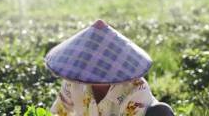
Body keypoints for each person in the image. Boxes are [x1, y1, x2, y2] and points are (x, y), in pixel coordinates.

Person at [45, 19, 174, 116]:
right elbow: (60, 113)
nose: (95, 70)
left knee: (162, 111)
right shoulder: (73, 82)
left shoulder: (136, 89)